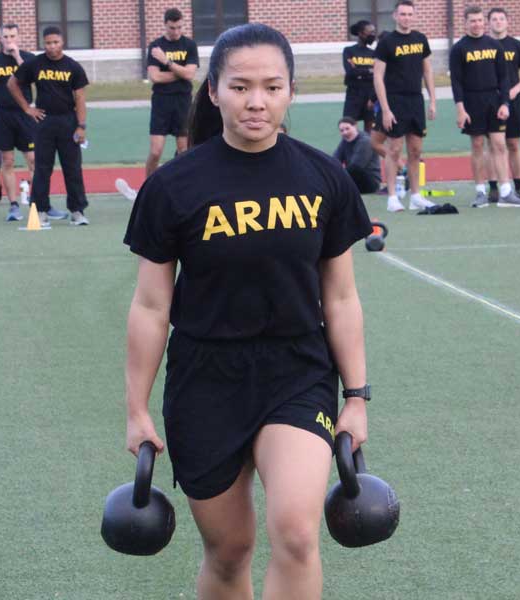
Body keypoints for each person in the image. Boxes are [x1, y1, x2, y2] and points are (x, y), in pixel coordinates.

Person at [124, 23, 371, 599]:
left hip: (297, 371)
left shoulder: (324, 178)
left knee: (297, 535)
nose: (256, 101)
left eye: (271, 87)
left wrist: (357, 397)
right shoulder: (173, 187)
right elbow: (151, 305)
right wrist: (136, 409)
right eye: (240, 87)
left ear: (291, 92)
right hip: (205, 379)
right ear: (213, 91)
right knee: (229, 551)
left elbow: (340, 297)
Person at [9, 26, 90, 227]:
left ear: (62, 42)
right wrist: (27, 108)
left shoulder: (73, 66)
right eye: (48, 43)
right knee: (42, 168)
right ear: (43, 43)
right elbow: (12, 83)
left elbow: (80, 98)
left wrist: (81, 126)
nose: (52, 46)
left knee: (72, 168)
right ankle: (40, 211)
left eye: (55, 42)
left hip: (68, 121)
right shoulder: (35, 63)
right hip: (44, 121)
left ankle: (77, 211)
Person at [449, 6, 520, 208]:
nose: (476, 24)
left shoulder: (494, 45)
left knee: (499, 145)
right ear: (465, 23)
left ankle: (506, 193)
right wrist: (460, 109)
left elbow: (504, 78)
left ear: (483, 22)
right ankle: (480, 192)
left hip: (494, 100)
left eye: (479, 20)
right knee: (477, 145)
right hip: (472, 101)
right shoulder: (459, 49)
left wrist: (505, 103)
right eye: (472, 21)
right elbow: (456, 82)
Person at [373, 0, 437, 212]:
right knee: (394, 149)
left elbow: (427, 71)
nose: (406, 18)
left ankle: (416, 195)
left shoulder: (420, 39)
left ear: (414, 16)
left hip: (415, 100)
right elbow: (378, 77)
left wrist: (432, 100)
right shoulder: (387, 42)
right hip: (395, 100)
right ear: (395, 16)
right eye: (402, 14)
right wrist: (385, 109)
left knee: (416, 150)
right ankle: (392, 197)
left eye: (410, 14)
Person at [0, 23, 37, 222]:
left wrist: (17, 56)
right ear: (0, 38)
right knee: (7, 160)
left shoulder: (28, 59)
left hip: (25, 113)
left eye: (12, 36)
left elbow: (31, 78)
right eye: (5, 36)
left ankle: (37, 202)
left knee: (33, 159)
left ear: (19, 38)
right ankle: (13, 205)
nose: (9, 40)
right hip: (3, 114)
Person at [487, 7, 520, 203]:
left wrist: (516, 89)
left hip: (513, 101)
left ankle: (519, 187)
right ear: (489, 23)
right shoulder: (484, 46)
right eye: (494, 19)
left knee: (514, 144)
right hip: (491, 101)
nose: (498, 22)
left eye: (501, 18)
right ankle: (493, 189)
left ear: (507, 22)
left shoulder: (517, 46)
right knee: (493, 145)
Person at [145, 8, 200, 178]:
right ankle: (148, 187)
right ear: (165, 25)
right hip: (161, 101)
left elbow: (190, 74)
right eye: (172, 28)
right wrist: (181, 72)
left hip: (183, 101)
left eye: (179, 27)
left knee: (184, 150)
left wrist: (166, 62)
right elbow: (155, 76)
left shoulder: (189, 45)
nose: (176, 32)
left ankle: (181, 186)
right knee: (156, 151)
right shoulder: (156, 46)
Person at [343, 20, 377, 132]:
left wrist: (359, 71)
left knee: (370, 129)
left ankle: (368, 145)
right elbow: (350, 72)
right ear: (361, 33)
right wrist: (369, 70)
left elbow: (377, 73)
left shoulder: (374, 53)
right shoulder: (349, 51)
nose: (373, 35)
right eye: (370, 32)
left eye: (374, 32)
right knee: (349, 126)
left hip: (370, 95)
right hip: (354, 94)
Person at [334, 117, 381, 193]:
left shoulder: (365, 141)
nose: (345, 132)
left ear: (355, 126)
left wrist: (338, 175)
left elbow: (357, 166)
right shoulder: (344, 141)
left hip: (370, 182)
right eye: (342, 130)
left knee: (354, 170)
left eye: (347, 129)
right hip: (353, 177)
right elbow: (335, 160)